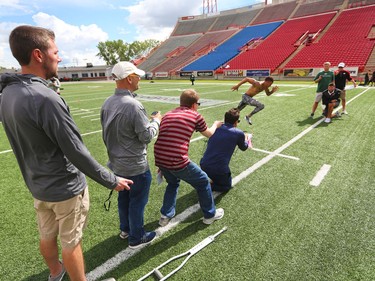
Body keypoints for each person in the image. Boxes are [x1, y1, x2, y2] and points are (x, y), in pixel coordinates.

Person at [0, 25, 132, 281]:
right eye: (56, 52)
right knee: (72, 242)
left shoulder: (8, 93)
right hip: (65, 188)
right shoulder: (45, 98)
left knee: (46, 235)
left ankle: (55, 273)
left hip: (38, 186)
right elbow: (76, 151)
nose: (59, 57)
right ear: (39, 55)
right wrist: (111, 180)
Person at [100, 61, 161, 249]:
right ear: (129, 78)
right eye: (137, 76)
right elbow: (146, 137)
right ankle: (136, 237)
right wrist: (156, 122)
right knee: (137, 202)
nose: (139, 78)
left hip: (117, 165)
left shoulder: (107, 102)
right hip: (135, 166)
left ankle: (125, 229)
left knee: (124, 199)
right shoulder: (133, 105)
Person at [154, 89, 224, 226]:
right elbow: (209, 134)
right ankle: (210, 215)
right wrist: (216, 124)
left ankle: (165, 216)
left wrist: (163, 164)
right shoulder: (195, 115)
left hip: (160, 157)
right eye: (198, 104)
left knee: (173, 183)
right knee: (203, 181)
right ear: (193, 104)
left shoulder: (168, 114)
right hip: (176, 159)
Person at [200, 108, 250, 192]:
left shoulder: (215, 128)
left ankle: (212, 180)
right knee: (226, 186)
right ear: (236, 122)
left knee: (217, 177)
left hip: (204, 164)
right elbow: (244, 147)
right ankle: (204, 186)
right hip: (219, 168)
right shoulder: (238, 133)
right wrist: (246, 138)